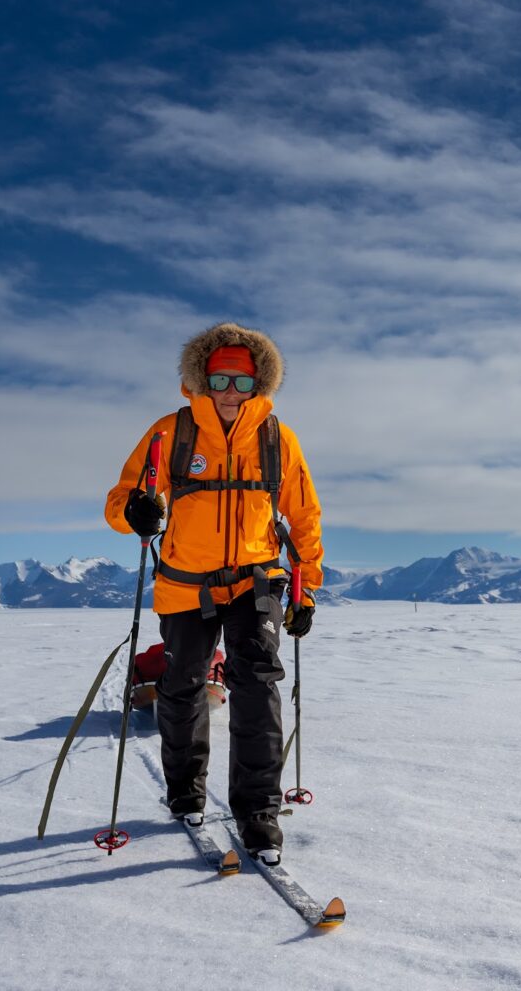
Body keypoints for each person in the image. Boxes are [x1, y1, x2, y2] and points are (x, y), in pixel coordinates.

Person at [105, 322, 323, 863]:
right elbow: (124, 499)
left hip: (257, 581)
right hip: (184, 585)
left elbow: (304, 517)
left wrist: (306, 590)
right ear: (201, 380)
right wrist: (134, 510)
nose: (230, 391)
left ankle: (259, 813)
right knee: (181, 687)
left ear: (259, 386)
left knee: (257, 689)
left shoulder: (278, 438)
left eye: (242, 382)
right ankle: (184, 791)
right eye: (220, 379)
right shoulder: (170, 433)